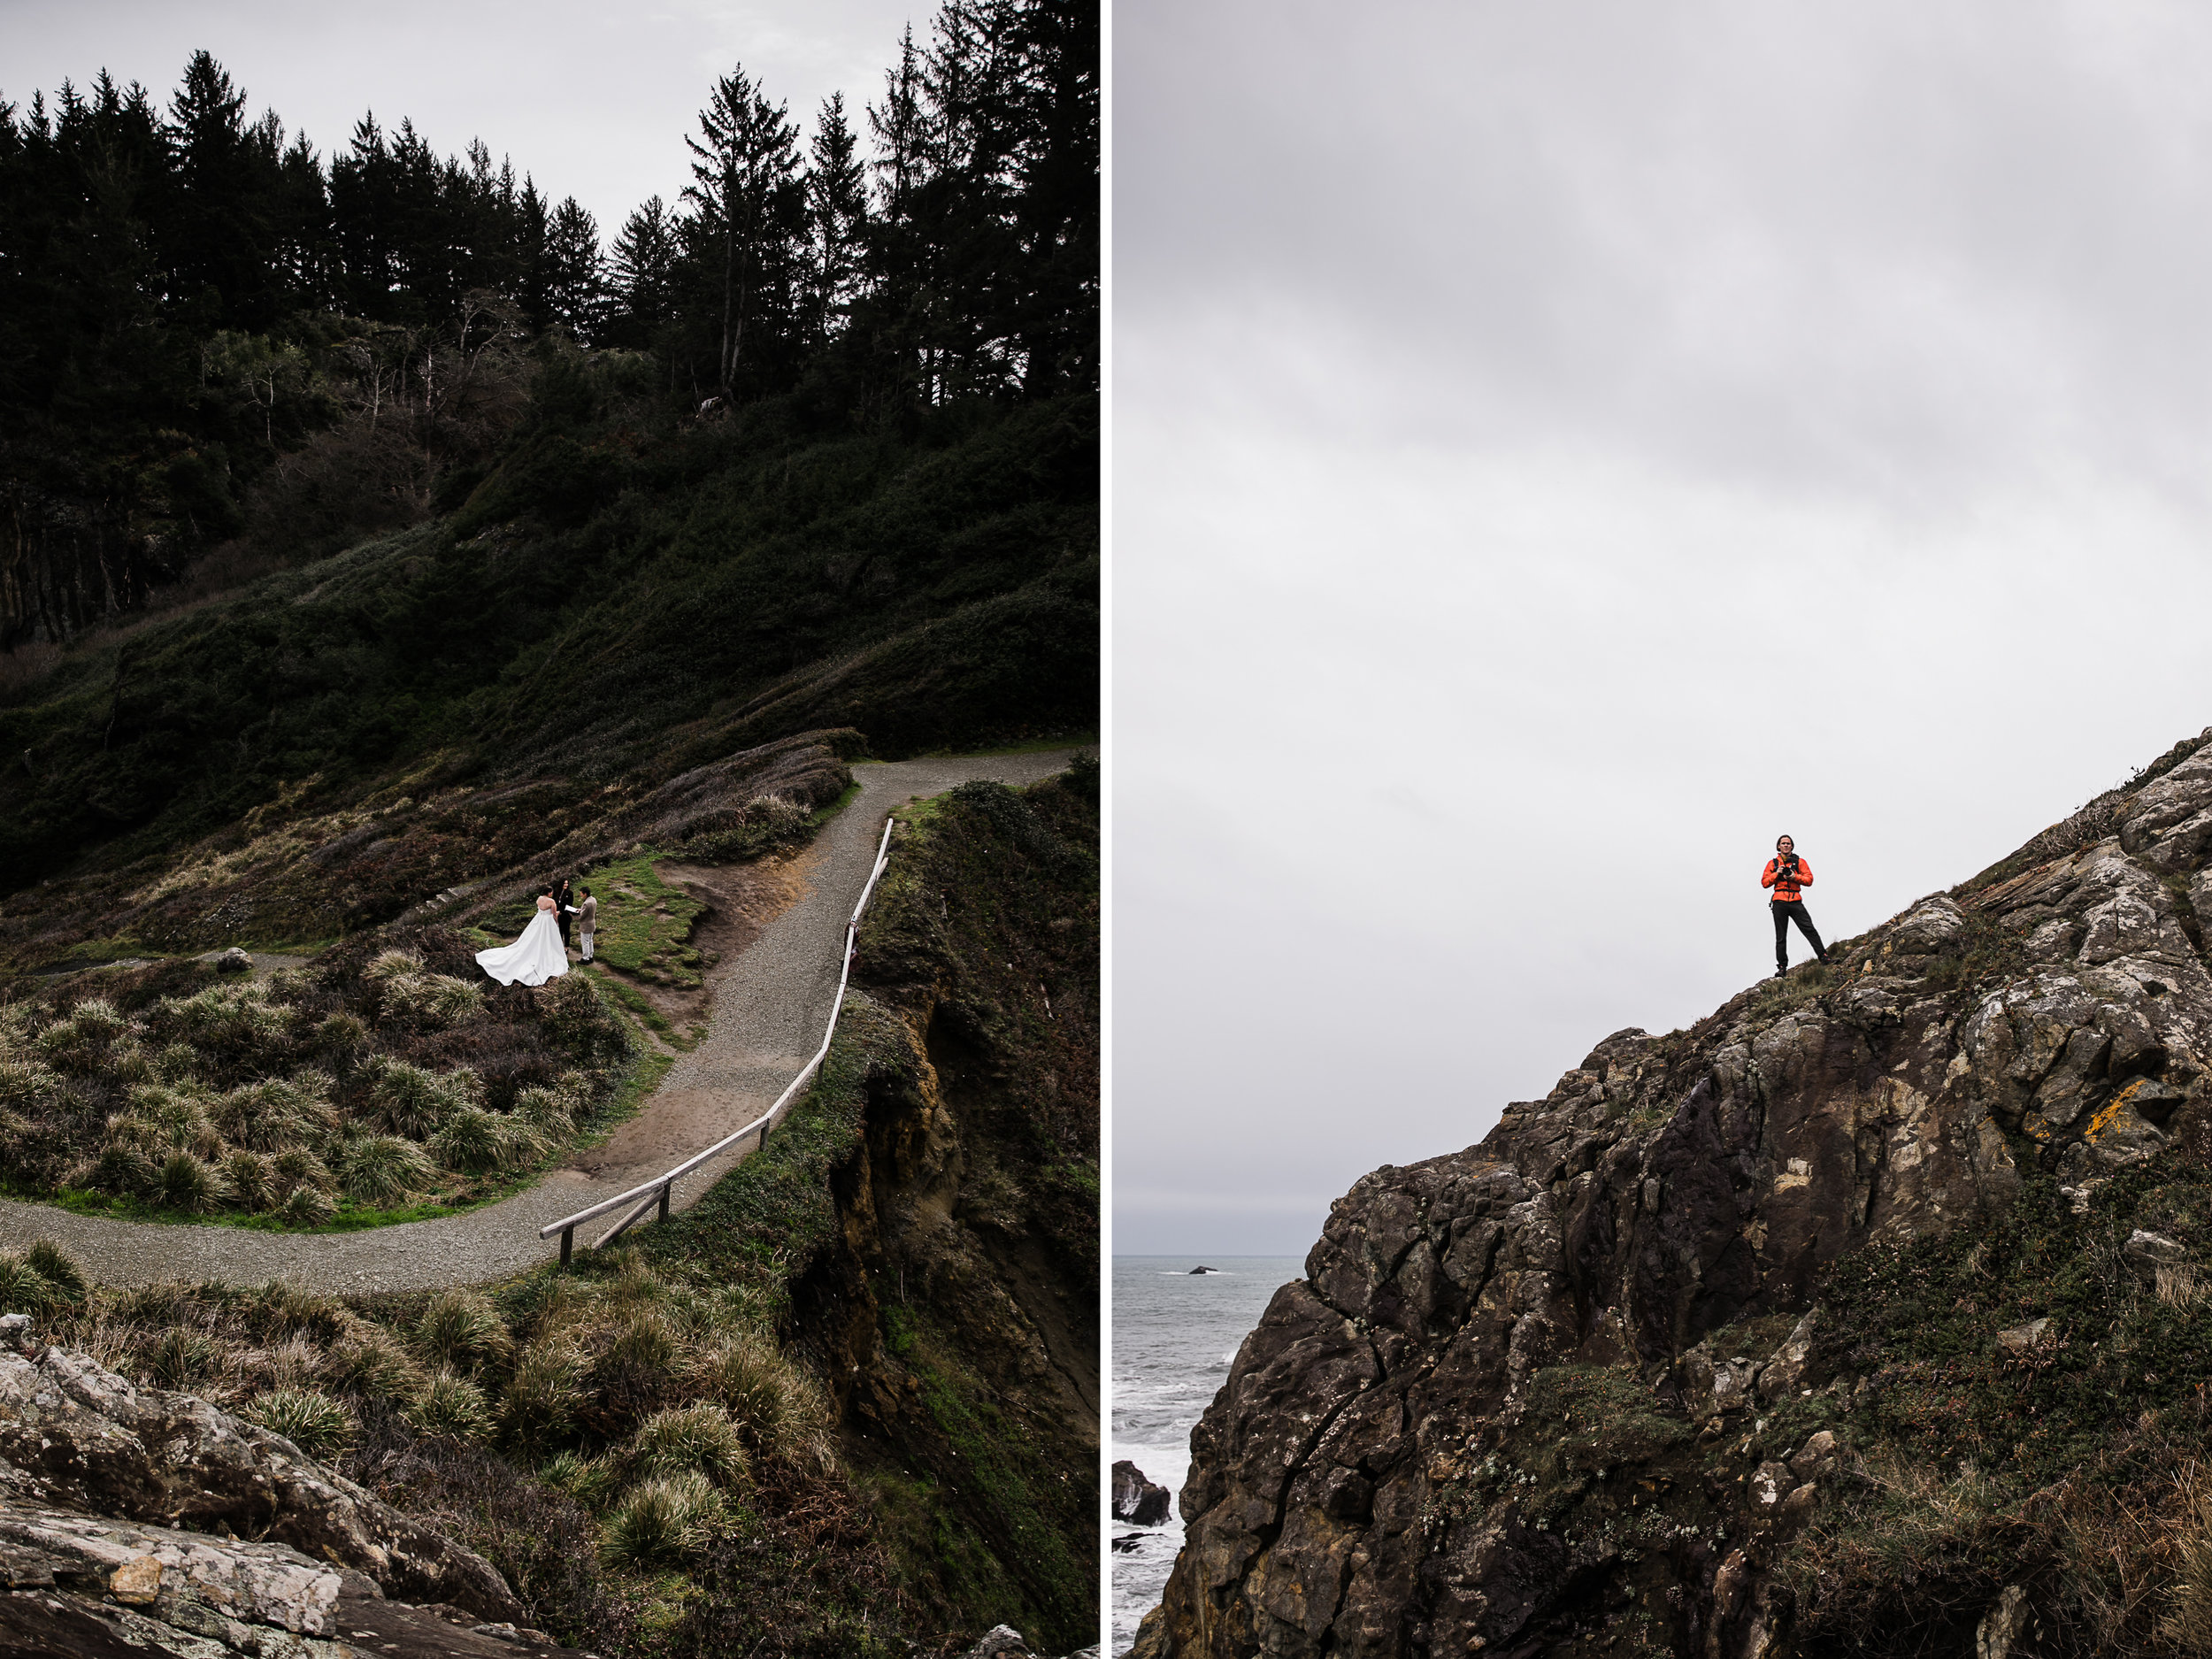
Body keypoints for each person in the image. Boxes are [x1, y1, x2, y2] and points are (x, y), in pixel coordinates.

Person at [1763, 834, 1828, 978]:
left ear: (1792, 846)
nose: (1786, 845)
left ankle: (1824, 957)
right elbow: (1765, 883)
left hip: (1795, 901)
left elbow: (1809, 880)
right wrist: (1776, 874)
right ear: (1778, 846)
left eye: (1788, 843)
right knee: (1781, 936)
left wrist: (1794, 877)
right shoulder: (1772, 864)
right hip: (1779, 902)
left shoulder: (1800, 862)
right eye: (1783, 843)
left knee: (1809, 929)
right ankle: (1782, 967)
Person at [475, 889, 570, 987]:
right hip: (547, 922)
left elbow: (540, 909)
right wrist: (557, 920)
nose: (552, 893)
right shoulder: (551, 901)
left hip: (539, 920)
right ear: (549, 893)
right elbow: (554, 914)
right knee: (548, 939)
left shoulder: (539, 899)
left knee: (533, 937)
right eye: (551, 892)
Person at [574, 887, 597, 963]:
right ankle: (590, 956)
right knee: (590, 941)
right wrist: (581, 910)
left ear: (585, 894)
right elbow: (588, 910)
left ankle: (585, 958)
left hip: (586, 925)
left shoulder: (586, 903)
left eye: (581, 893)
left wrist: (572, 915)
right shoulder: (593, 900)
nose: (581, 895)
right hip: (592, 923)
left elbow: (581, 916)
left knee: (585, 942)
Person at [552, 877, 576, 949]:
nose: (566, 885)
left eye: (567, 883)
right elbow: (554, 902)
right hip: (557, 914)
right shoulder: (556, 892)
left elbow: (569, 905)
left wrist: (561, 911)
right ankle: (559, 946)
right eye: (564, 883)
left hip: (566, 915)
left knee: (566, 931)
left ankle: (566, 947)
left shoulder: (570, 893)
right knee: (559, 931)